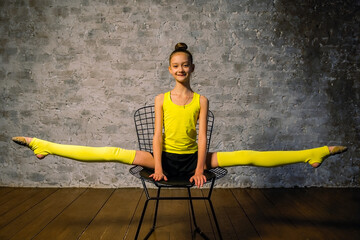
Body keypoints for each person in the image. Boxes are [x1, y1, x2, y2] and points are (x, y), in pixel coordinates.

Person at [12, 43, 347, 188]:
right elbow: (157, 135)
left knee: (248, 156)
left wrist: (201, 168)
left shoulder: (202, 99)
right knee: (112, 153)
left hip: (192, 161)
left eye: (185, 65)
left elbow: (202, 138)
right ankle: (44, 145)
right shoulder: (161, 98)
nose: (181, 69)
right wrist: (157, 166)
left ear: (192, 68)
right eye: (175, 66)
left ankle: (313, 154)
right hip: (165, 159)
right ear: (170, 70)